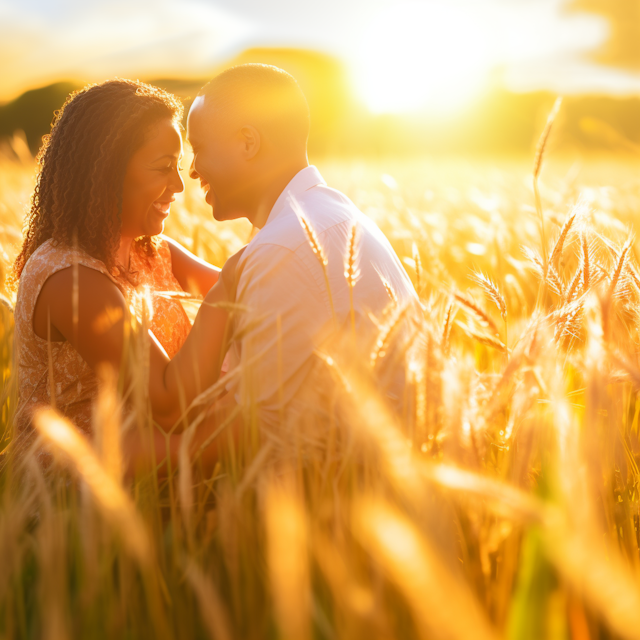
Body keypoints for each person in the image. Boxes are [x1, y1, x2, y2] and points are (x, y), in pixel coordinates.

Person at [10, 79, 237, 470]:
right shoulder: (69, 280)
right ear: (108, 173)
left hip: (159, 469)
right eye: (163, 168)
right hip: (77, 498)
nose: (179, 186)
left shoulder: (152, 251)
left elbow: (251, 293)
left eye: (178, 167)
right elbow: (167, 405)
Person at [187, 64, 419, 429]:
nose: (192, 170)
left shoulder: (283, 249)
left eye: (198, 148)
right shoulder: (333, 215)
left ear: (248, 142)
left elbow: (257, 432)